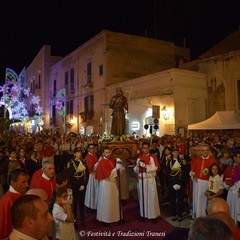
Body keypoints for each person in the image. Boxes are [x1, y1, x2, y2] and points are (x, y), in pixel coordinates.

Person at [133, 142, 161, 223]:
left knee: (151, 197)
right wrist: (137, 166)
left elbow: (155, 168)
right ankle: (143, 214)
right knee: (143, 197)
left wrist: (145, 166)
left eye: (146, 148)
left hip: (150, 179)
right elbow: (135, 170)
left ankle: (153, 216)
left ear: (149, 148)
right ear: (142, 148)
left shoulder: (152, 157)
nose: (145, 149)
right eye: (144, 148)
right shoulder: (139, 157)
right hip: (142, 180)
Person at [95, 146, 123, 226]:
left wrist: (119, 167)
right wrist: (117, 168)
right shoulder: (102, 162)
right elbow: (109, 175)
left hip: (113, 183)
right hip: (106, 184)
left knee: (114, 200)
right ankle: (106, 219)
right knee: (107, 202)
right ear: (103, 153)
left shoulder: (111, 160)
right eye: (106, 152)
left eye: (109, 152)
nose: (108, 154)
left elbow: (118, 171)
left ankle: (115, 217)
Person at [190, 144, 218, 218]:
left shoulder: (213, 160)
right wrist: (194, 175)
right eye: (203, 150)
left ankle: (205, 216)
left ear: (209, 151)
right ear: (201, 151)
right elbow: (192, 171)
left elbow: (217, 173)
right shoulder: (197, 159)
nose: (205, 152)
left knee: (206, 200)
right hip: (198, 183)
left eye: (206, 150)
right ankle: (197, 215)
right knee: (198, 199)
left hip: (208, 183)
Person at [0, 168, 30, 239]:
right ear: (13, 183)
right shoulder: (8, 200)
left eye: (27, 181)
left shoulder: (20, 194)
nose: (27, 185)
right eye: (23, 182)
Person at [66, 147, 89, 227]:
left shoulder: (84, 162)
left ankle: (83, 220)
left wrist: (84, 185)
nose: (80, 154)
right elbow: (70, 176)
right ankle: (74, 220)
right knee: (74, 205)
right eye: (78, 152)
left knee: (82, 204)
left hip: (82, 186)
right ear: (74, 154)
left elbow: (87, 175)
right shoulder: (70, 163)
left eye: (80, 152)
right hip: (74, 186)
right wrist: (76, 186)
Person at [165, 147, 188, 221]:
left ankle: (180, 215)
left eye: (176, 152)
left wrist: (181, 184)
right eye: (174, 152)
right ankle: (174, 214)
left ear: (178, 152)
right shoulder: (169, 162)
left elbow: (184, 173)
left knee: (180, 200)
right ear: (172, 153)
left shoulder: (182, 161)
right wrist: (173, 184)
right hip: (172, 183)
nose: (175, 153)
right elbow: (168, 174)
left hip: (180, 183)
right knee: (172, 200)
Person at [84, 143, 99, 213]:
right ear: (88, 149)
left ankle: (94, 205)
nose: (92, 149)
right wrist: (99, 162)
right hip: (92, 176)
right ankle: (90, 206)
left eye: (93, 148)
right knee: (91, 191)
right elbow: (91, 169)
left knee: (95, 191)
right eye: (91, 148)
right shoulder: (88, 157)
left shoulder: (94, 155)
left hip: (95, 175)